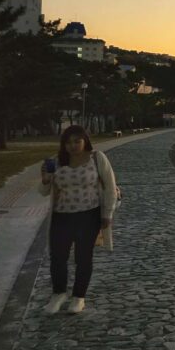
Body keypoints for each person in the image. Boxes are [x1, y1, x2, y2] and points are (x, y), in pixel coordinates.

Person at [39, 125, 118, 314]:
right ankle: (58, 294)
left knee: (83, 257)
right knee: (57, 257)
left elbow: (110, 186)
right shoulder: (58, 162)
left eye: (77, 141)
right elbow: (43, 192)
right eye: (68, 142)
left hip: (88, 214)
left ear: (85, 141)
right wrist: (45, 178)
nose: (72, 146)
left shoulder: (97, 158)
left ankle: (78, 297)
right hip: (61, 215)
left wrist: (107, 214)